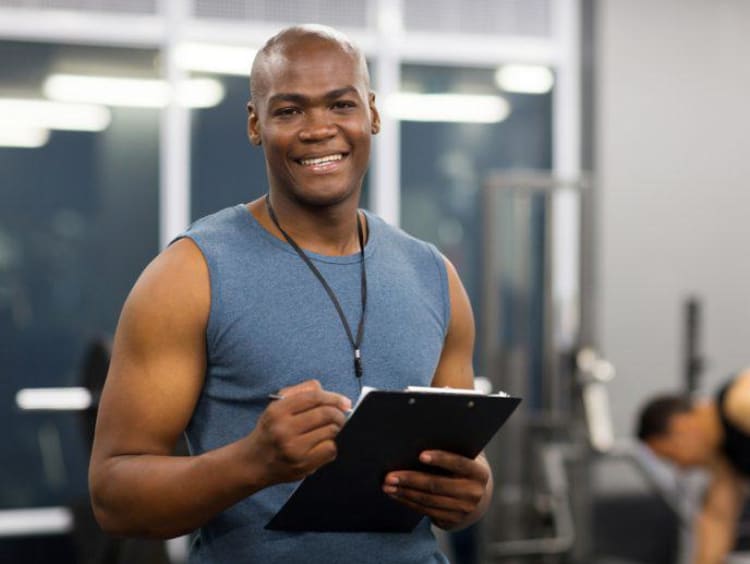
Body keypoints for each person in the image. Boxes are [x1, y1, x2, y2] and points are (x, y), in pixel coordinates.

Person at [89, 24, 493, 563]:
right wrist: (253, 462)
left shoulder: (433, 276)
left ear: (371, 113)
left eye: (340, 105)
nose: (318, 129)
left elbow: (465, 468)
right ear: (256, 124)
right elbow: (114, 496)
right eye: (289, 111)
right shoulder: (189, 273)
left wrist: (472, 492)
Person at [636, 370, 750, 564]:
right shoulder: (726, 460)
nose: (681, 468)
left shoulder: (739, 402)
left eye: (672, 456)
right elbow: (717, 521)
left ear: (681, 427)